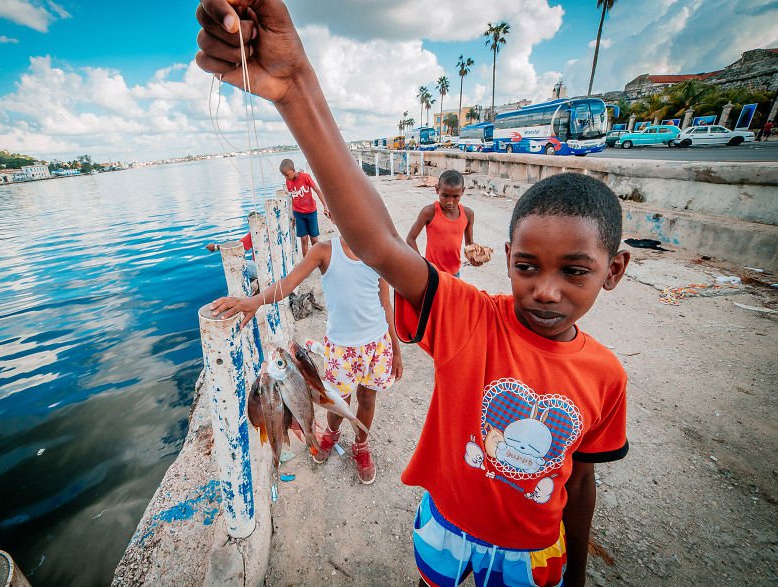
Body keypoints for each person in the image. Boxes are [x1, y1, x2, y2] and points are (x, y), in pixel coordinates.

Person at [196, 3, 630, 585]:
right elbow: (376, 242)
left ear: (614, 270)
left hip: (535, 555)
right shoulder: (469, 317)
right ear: (506, 261)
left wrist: (576, 572)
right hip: (445, 531)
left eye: (575, 271)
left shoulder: (607, 376)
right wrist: (295, 89)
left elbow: (580, 482)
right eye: (527, 266)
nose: (546, 291)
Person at [210, 236, 403, 485]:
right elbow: (288, 283)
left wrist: (396, 349)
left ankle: (361, 444)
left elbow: (385, 303)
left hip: (377, 344)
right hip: (341, 350)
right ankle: (332, 433)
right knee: (336, 400)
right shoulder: (324, 251)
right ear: (331, 213)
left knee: (367, 398)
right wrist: (256, 300)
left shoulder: (379, 249)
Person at [405, 169, 483, 277]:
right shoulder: (429, 212)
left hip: (454, 273)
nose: (450, 201)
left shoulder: (468, 214)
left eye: (455, 196)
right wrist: (421, 264)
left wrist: (474, 256)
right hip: (433, 273)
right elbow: (410, 238)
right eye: (445, 195)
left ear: (462, 192)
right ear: (437, 190)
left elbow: (469, 242)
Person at [280, 158, 329, 257]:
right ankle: (306, 261)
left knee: (314, 239)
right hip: (299, 214)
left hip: (311, 212)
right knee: (303, 239)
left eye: (287, 174)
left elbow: (317, 190)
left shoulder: (305, 177)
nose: (286, 177)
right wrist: (294, 215)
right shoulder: (288, 182)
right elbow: (294, 198)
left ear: (293, 170)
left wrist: (325, 206)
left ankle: (318, 259)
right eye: (283, 175)